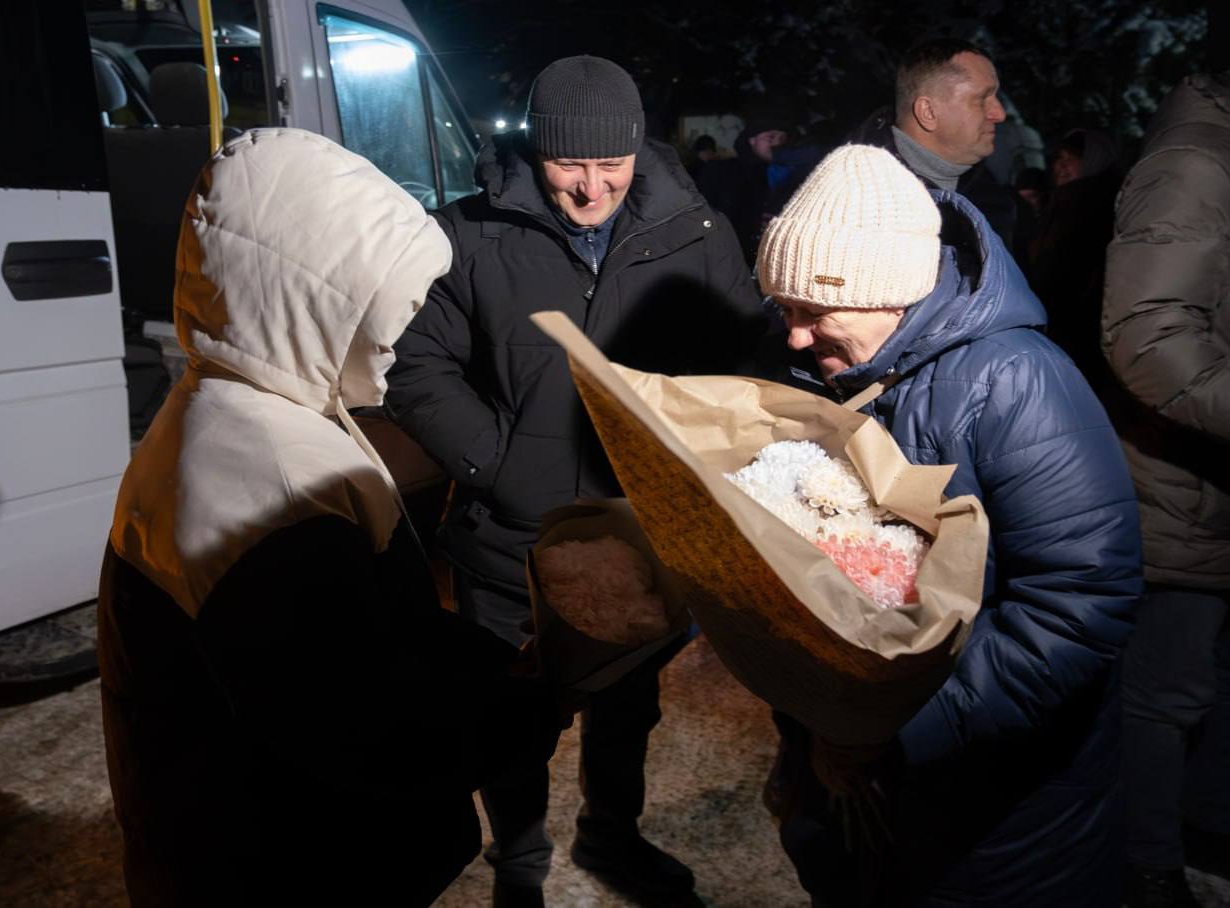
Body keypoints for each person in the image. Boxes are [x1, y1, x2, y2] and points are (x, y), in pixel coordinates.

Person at [97, 129, 562, 907]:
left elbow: (361, 633)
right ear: (305, 299)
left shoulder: (233, 410)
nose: (407, 328)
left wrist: (488, 663)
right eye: (387, 304)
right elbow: (367, 729)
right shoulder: (266, 489)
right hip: (288, 868)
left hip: (237, 845)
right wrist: (534, 705)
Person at [385, 55, 767, 908]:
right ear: (535, 151)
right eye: (570, 164)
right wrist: (499, 465)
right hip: (509, 543)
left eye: (611, 163)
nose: (592, 187)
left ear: (639, 150)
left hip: (639, 535)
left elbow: (739, 370)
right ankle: (518, 867)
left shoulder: (698, 234)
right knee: (509, 722)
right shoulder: (465, 235)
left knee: (628, 708)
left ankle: (613, 837)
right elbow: (414, 367)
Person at [755, 144, 1142, 906]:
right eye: (783, 310)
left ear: (885, 293)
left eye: (811, 310)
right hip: (874, 785)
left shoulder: (1016, 383)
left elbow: (1080, 603)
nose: (793, 337)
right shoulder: (832, 374)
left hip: (1001, 808)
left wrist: (897, 733)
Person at [1102, 61, 1230, 908]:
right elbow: (1146, 334)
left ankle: (1196, 842)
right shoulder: (1194, 160)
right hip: (1181, 488)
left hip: (1209, 484)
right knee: (1165, 694)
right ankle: (1145, 871)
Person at [853, 37, 1017, 250]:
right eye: (981, 99)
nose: (1000, 114)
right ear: (928, 112)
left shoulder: (996, 205)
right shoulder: (852, 200)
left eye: (996, 97)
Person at [1027, 128, 1121, 390]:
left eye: (1072, 158)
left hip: (1081, 332)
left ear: (1094, 159)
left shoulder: (1094, 204)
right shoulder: (1061, 202)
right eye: (1059, 158)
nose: (1061, 165)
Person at [698, 115, 792, 263]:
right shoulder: (722, 171)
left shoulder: (786, 173)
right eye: (770, 137)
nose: (778, 143)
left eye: (783, 138)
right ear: (752, 140)